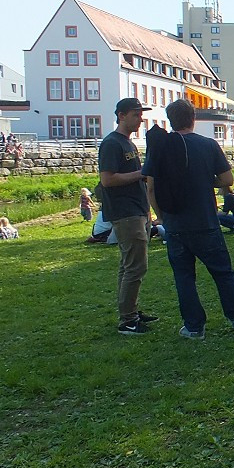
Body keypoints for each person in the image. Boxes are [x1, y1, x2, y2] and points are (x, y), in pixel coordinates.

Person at [144, 98, 234, 340]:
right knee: (223, 272)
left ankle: (194, 326)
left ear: (170, 120)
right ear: (193, 118)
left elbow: (151, 188)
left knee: (184, 278)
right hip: (205, 221)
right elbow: (227, 180)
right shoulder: (208, 145)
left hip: (175, 224)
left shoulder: (160, 148)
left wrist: (162, 216)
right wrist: (206, 181)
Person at [98, 98, 156, 336]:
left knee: (128, 265)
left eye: (141, 114)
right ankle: (128, 320)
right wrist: (141, 173)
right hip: (125, 212)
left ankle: (130, 311)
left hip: (137, 210)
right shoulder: (112, 144)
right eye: (135, 114)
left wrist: (147, 208)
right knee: (135, 266)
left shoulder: (127, 143)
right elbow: (107, 180)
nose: (140, 118)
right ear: (121, 115)